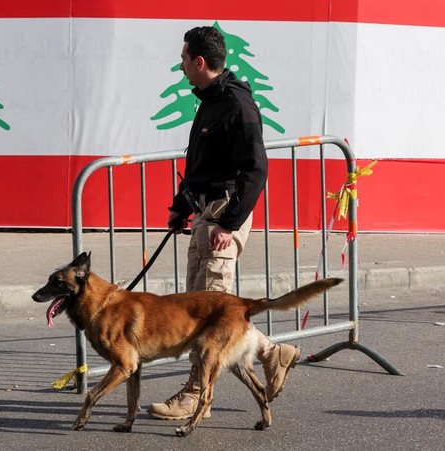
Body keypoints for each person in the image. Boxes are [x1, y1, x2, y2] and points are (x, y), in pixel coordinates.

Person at [147, 26, 301, 421]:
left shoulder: (237, 106)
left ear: (200, 62)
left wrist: (229, 225)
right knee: (198, 305)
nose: (181, 67)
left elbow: (256, 170)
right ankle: (272, 352)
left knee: (210, 313)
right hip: (205, 213)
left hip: (224, 216)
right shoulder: (209, 101)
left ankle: (196, 396)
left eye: (184, 59)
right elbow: (200, 165)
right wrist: (182, 205)